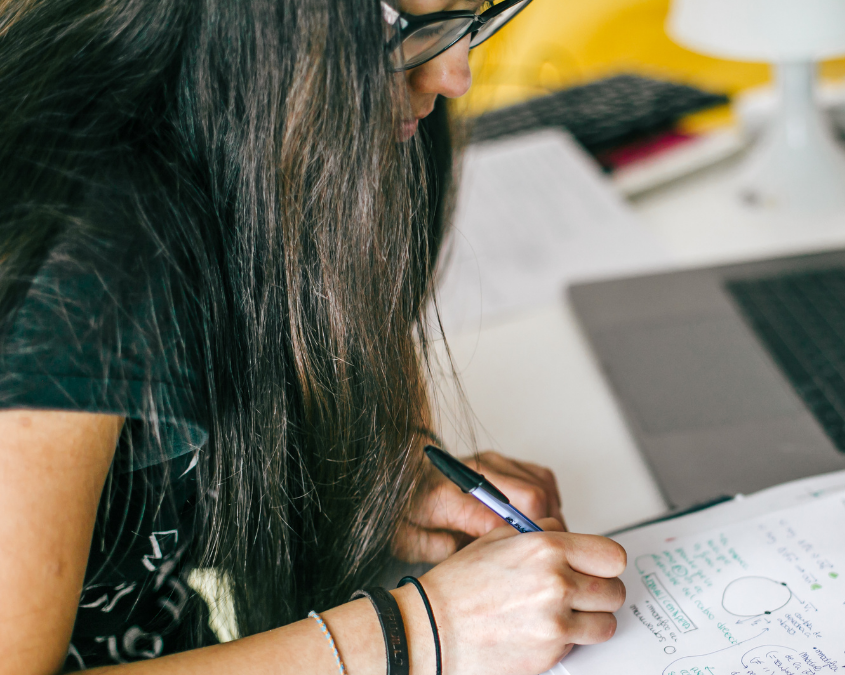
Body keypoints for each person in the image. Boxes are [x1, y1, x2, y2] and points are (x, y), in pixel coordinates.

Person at [0, 1, 627, 673]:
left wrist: (387, 470)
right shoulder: (76, 255)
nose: (456, 75)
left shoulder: (272, 141)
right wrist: (423, 630)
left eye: (469, 19)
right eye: (419, 33)